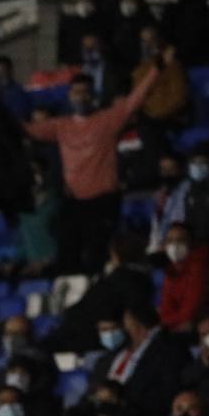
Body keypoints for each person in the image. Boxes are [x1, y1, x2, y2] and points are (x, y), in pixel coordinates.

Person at [24, 64, 160, 273]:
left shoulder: (108, 120)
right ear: (69, 96)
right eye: (77, 93)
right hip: (74, 202)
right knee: (67, 255)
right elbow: (28, 131)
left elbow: (135, 99)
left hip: (103, 200)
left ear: (93, 95)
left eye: (86, 93)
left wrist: (156, 67)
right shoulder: (61, 126)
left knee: (97, 256)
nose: (81, 97)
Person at [157, 223, 209, 335]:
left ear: (192, 243)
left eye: (181, 240)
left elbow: (191, 311)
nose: (175, 245)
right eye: (170, 241)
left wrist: (168, 323)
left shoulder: (201, 265)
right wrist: (167, 323)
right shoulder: (171, 270)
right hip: (191, 327)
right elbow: (165, 310)